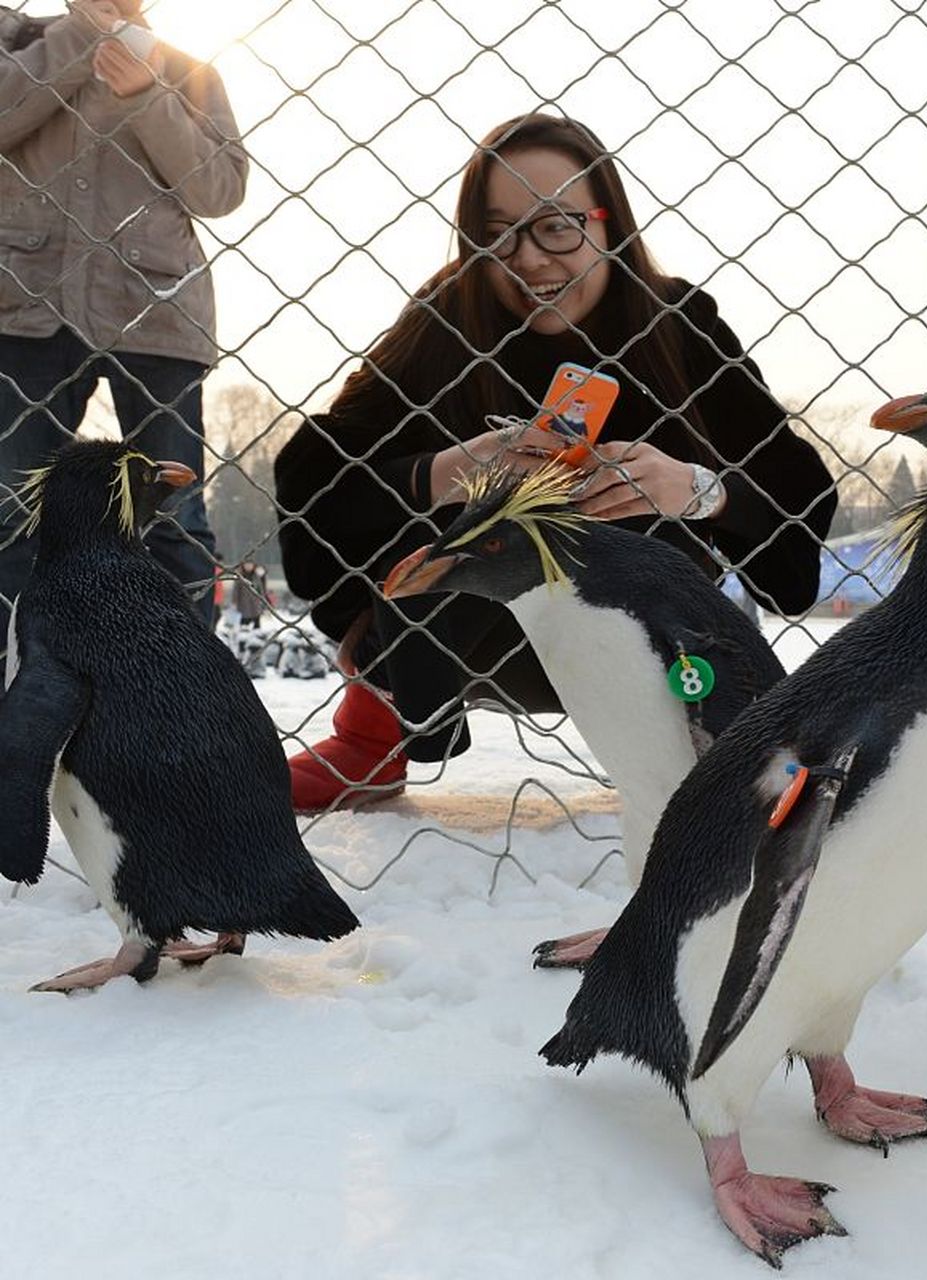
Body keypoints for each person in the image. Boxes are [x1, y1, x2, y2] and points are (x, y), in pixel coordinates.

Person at [273, 113, 837, 814]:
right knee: (464, 521)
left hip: (641, 643)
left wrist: (695, 489)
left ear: (610, 224)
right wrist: (449, 470)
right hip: (458, 642)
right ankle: (373, 732)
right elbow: (311, 479)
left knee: (649, 541)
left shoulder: (678, 322)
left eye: (557, 225)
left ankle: (704, 738)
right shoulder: (448, 317)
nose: (529, 258)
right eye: (499, 231)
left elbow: (798, 492)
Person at [0, 0, 248, 631]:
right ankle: (19, 686)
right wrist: (78, 40)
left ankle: (181, 690)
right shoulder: (21, 45)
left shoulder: (190, 71)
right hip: (28, 304)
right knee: (11, 512)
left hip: (156, 309)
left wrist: (146, 94)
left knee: (171, 516)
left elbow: (219, 188)